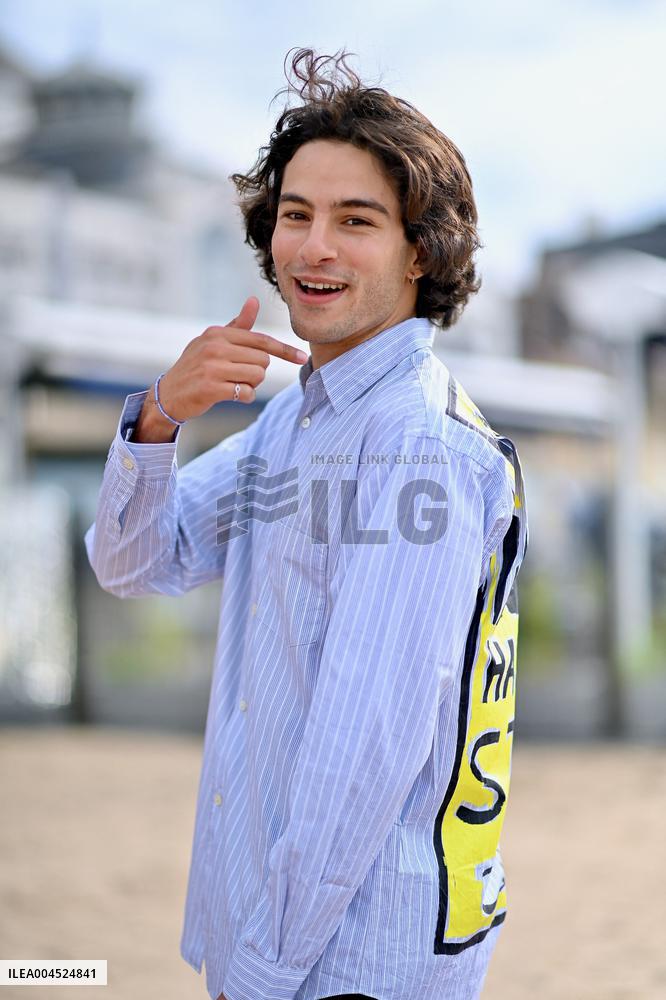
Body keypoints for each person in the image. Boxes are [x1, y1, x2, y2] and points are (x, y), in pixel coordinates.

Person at [85, 47, 528, 1000]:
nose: (312, 247)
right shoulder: (295, 417)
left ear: (422, 250)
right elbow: (135, 564)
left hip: (354, 961)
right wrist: (160, 415)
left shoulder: (417, 444)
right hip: (273, 937)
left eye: (355, 221)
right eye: (295, 215)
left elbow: (363, 749)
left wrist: (264, 969)